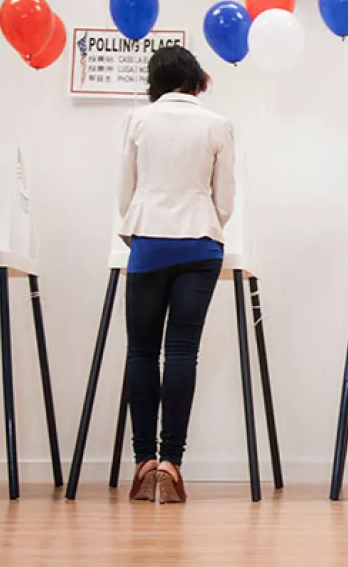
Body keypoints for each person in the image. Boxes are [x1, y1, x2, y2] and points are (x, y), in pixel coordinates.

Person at [117, 46, 235, 504]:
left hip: (149, 239)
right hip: (200, 240)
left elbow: (124, 191)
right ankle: (172, 462)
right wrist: (207, 223)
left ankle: (144, 461)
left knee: (142, 351)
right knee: (183, 351)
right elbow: (225, 197)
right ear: (193, 78)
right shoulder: (217, 123)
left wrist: (141, 227)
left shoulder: (138, 121)